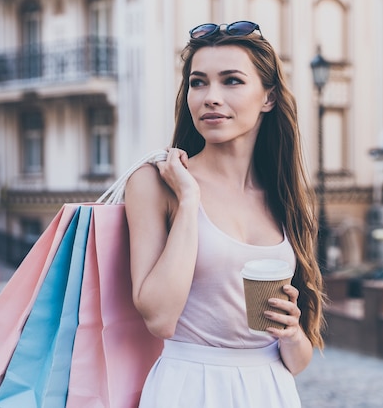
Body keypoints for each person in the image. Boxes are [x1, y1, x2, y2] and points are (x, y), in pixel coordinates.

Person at [124, 21, 325, 407]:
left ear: (268, 97)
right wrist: (188, 200)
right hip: (188, 387)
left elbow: (297, 362)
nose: (210, 97)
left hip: (270, 391)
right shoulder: (156, 182)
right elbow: (160, 318)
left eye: (231, 81)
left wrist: (291, 331)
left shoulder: (284, 196)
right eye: (198, 83)